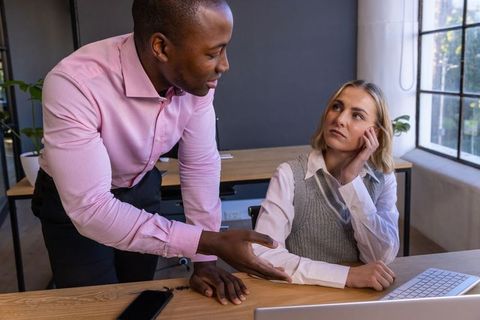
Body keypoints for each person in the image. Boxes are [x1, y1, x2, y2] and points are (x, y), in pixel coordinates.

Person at [32, 0, 289, 305]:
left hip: (141, 186)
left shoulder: (196, 82)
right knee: (93, 303)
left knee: (135, 294)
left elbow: (200, 165)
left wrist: (204, 259)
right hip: (74, 205)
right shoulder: (74, 83)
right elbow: (92, 209)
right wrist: (210, 242)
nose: (224, 65)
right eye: (212, 53)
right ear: (161, 48)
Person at [253, 80, 399, 291]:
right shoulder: (289, 175)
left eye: (357, 115)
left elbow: (381, 256)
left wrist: (351, 181)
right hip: (302, 298)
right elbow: (263, 255)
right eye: (337, 107)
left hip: (361, 300)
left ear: (374, 133)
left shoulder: (383, 179)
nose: (340, 119)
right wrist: (347, 276)